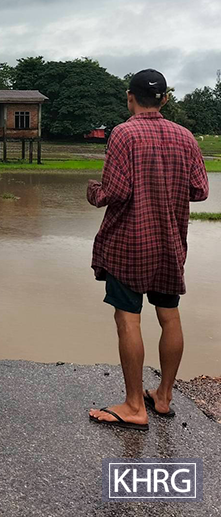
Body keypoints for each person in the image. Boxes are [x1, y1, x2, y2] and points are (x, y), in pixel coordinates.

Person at [87, 69, 209, 431]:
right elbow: (200, 190)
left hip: (130, 243)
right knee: (169, 316)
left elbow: (115, 192)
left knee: (128, 318)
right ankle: (164, 397)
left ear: (130, 97)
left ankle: (134, 405)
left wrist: (93, 191)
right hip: (170, 243)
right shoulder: (185, 136)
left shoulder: (124, 133)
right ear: (165, 99)